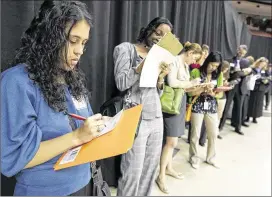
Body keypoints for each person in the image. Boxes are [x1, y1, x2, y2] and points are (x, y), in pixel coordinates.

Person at [1, 1, 108, 196]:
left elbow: (84, 123)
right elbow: (14, 157)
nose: (80, 51)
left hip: (84, 183)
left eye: (84, 43)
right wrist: (76, 137)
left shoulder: (72, 77)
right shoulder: (17, 82)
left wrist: (101, 125)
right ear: (50, 37)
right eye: (73, 40)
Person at [113, 17, 171, 196]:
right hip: (134, 118)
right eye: (158, 33)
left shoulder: (160, 56)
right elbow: (121, 83)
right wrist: (141, 67)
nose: (160, 38)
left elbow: (157, 93)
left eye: (165, 37)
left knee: (149, 172)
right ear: (148, 30)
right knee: (132, 172)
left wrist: (161, 78)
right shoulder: (125, 49)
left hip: (155, 117)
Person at [156, 42, 202, 194]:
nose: (194, 62)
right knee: (171, 141)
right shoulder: (175, 61)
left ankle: (168, 168)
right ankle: (161, 175)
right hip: (171, 105)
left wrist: (197, 87)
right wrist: (190, 82)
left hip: (180, 102)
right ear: (189, 53)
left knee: (171, 141)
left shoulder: (185, 66)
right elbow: (172, 82)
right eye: (194, 57)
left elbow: (184, 87)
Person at [188, 52, 223, 169]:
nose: (213, 68)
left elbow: (220, 93)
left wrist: (213, 93)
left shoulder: (218, 75)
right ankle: (194, 157)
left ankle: (211, 158)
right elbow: (190, 92)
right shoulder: (196, 72)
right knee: (195, 134)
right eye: (212, 65)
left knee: (213, 133)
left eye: (216, 66)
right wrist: (202, 89)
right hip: (197, 105)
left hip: (212, 106)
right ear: (207, 62)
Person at [219, 45, 249, 135]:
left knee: (239, 108)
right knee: (226, 107)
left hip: (240, 87)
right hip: (230, 86)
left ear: (245, 53)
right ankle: (220, 127)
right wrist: (235, 71)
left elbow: (246, 73)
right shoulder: (229, 60)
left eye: (243, 52)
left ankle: (237, 127)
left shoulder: (246, 62)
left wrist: (239, 72)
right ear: (237, 50)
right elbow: (226, 72)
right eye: (239, 51)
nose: (240, 53)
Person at [246, 57, 269, 123]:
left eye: (264, 64)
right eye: (261, 64)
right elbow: (250, 78)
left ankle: (254, 118)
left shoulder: (264, 70)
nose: (262, 65)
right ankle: (247, 117)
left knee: (258, 104)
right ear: (258, 62)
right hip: (253, 88)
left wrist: (266, 80)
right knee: (250, 103)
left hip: (261, 89)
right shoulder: (253, 68)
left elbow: (268, 78)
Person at [217, 60, 231, 139]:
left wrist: (227, 84)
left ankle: (216, 131)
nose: (226, 70)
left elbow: (225, 83)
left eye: (227, 69)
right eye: (225, 69)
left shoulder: (225, 74)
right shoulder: (217, 74)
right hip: (216, 96)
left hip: (223, 96)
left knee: (219, 116)